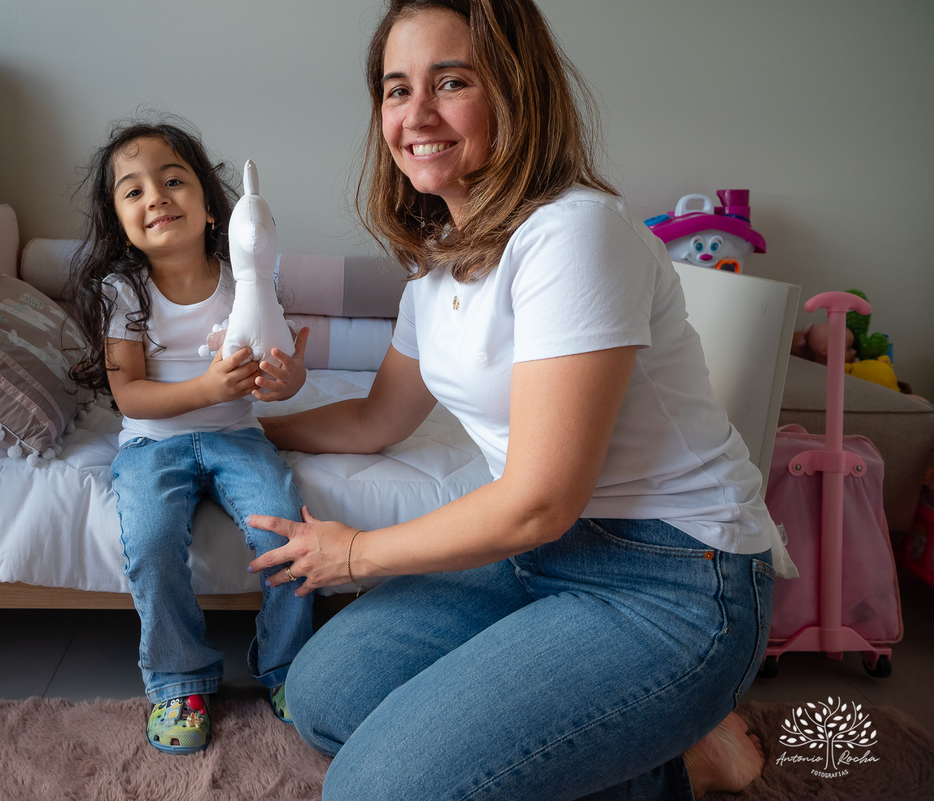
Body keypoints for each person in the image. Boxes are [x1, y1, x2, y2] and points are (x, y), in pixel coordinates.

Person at [246, 1, 777, 797]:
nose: (416, 115)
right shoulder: (437, 266)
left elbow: (538, 501)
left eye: (450, 81)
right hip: (537, 561)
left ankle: (679, 754)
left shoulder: (573, 234)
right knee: (324, 698)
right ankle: (646, 743)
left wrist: (353, 553)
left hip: (675, 580)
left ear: (515, 92)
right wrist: (248, 428)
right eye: (396, 89)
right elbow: (375, 417)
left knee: (371, 788)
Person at [67, 120, 312, 754]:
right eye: (133, 190)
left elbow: (279, 372)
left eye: (174, 180)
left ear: (210, 207)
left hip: (238, 438)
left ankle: (288, 667)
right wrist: (207, 388)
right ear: (118, 219)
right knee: (148, 541)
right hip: (152, 444)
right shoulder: (124, 292)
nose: (156, 196)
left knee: (285, 530)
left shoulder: (245, 279)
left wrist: (286, 379)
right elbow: (130, 397)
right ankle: (179, 678)